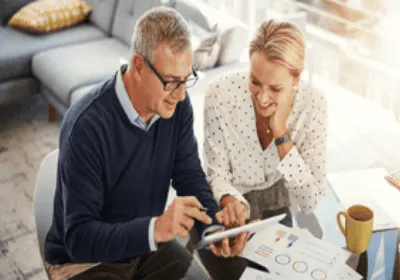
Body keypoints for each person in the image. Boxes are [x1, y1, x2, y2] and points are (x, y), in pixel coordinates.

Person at [43, 7, 249, 280]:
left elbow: (189, 176)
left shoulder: (176, 106)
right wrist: (155, 229)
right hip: (85, 262)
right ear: (139, 66)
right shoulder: (86, 125)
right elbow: (80, 239)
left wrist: (214, 229)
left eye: (186, 79)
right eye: (171, 82)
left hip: (145, 247)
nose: (180, 95)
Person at [197, 19, 328, 279]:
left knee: (276, 272)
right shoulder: (219, 94)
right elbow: (216, 173)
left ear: (296, 79)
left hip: (274, 202)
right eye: (255, 82)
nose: (263, 98)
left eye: (276, 88)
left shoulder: (314, 106)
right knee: (229, 268)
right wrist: (230, 201)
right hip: (225, 200)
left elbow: (308, 201)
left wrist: (281, 132)